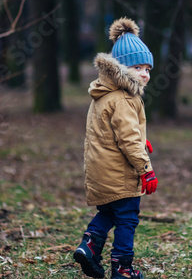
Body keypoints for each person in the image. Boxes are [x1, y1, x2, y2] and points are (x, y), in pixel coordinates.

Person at [73, 17, 158, 279]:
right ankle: (122, 268)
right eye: (137, 67)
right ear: (121, 69)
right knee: (128, 218)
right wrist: (146, 170)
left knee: (108, 210)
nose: (144, 73)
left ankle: (89, 245)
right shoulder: (124, 98)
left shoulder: (104, 94)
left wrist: (141, 141)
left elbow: (113, 132)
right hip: (120, 172)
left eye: (148, 68)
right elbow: (127, 139)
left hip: (101, 169)